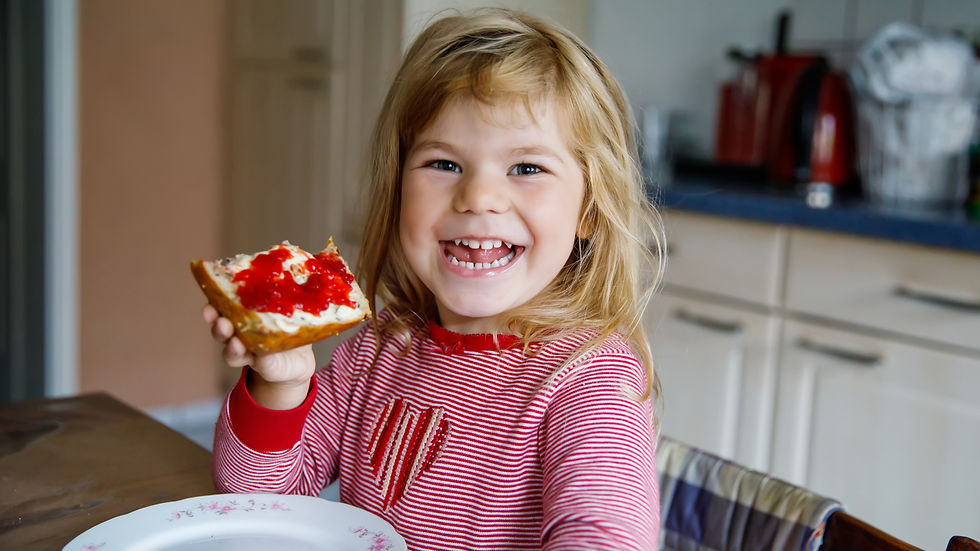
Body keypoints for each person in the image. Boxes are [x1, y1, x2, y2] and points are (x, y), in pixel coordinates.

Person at [205, 8, 667, 550]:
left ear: (588, 210)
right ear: (399, 189)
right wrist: (280, 384)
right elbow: (259, 500)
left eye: (526, 168)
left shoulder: (590, 379)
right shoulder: (381, 348)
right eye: (444, 164)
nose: (478, 197)